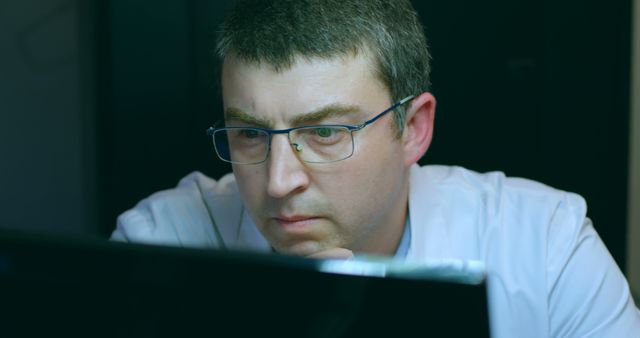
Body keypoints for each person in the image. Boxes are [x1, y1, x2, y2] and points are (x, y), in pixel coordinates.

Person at [111, 0, 640, 336]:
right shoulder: (162, 245)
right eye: (251, 134)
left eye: (324, 133)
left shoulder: (544, 245)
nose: (278, 183)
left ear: (413, 129)